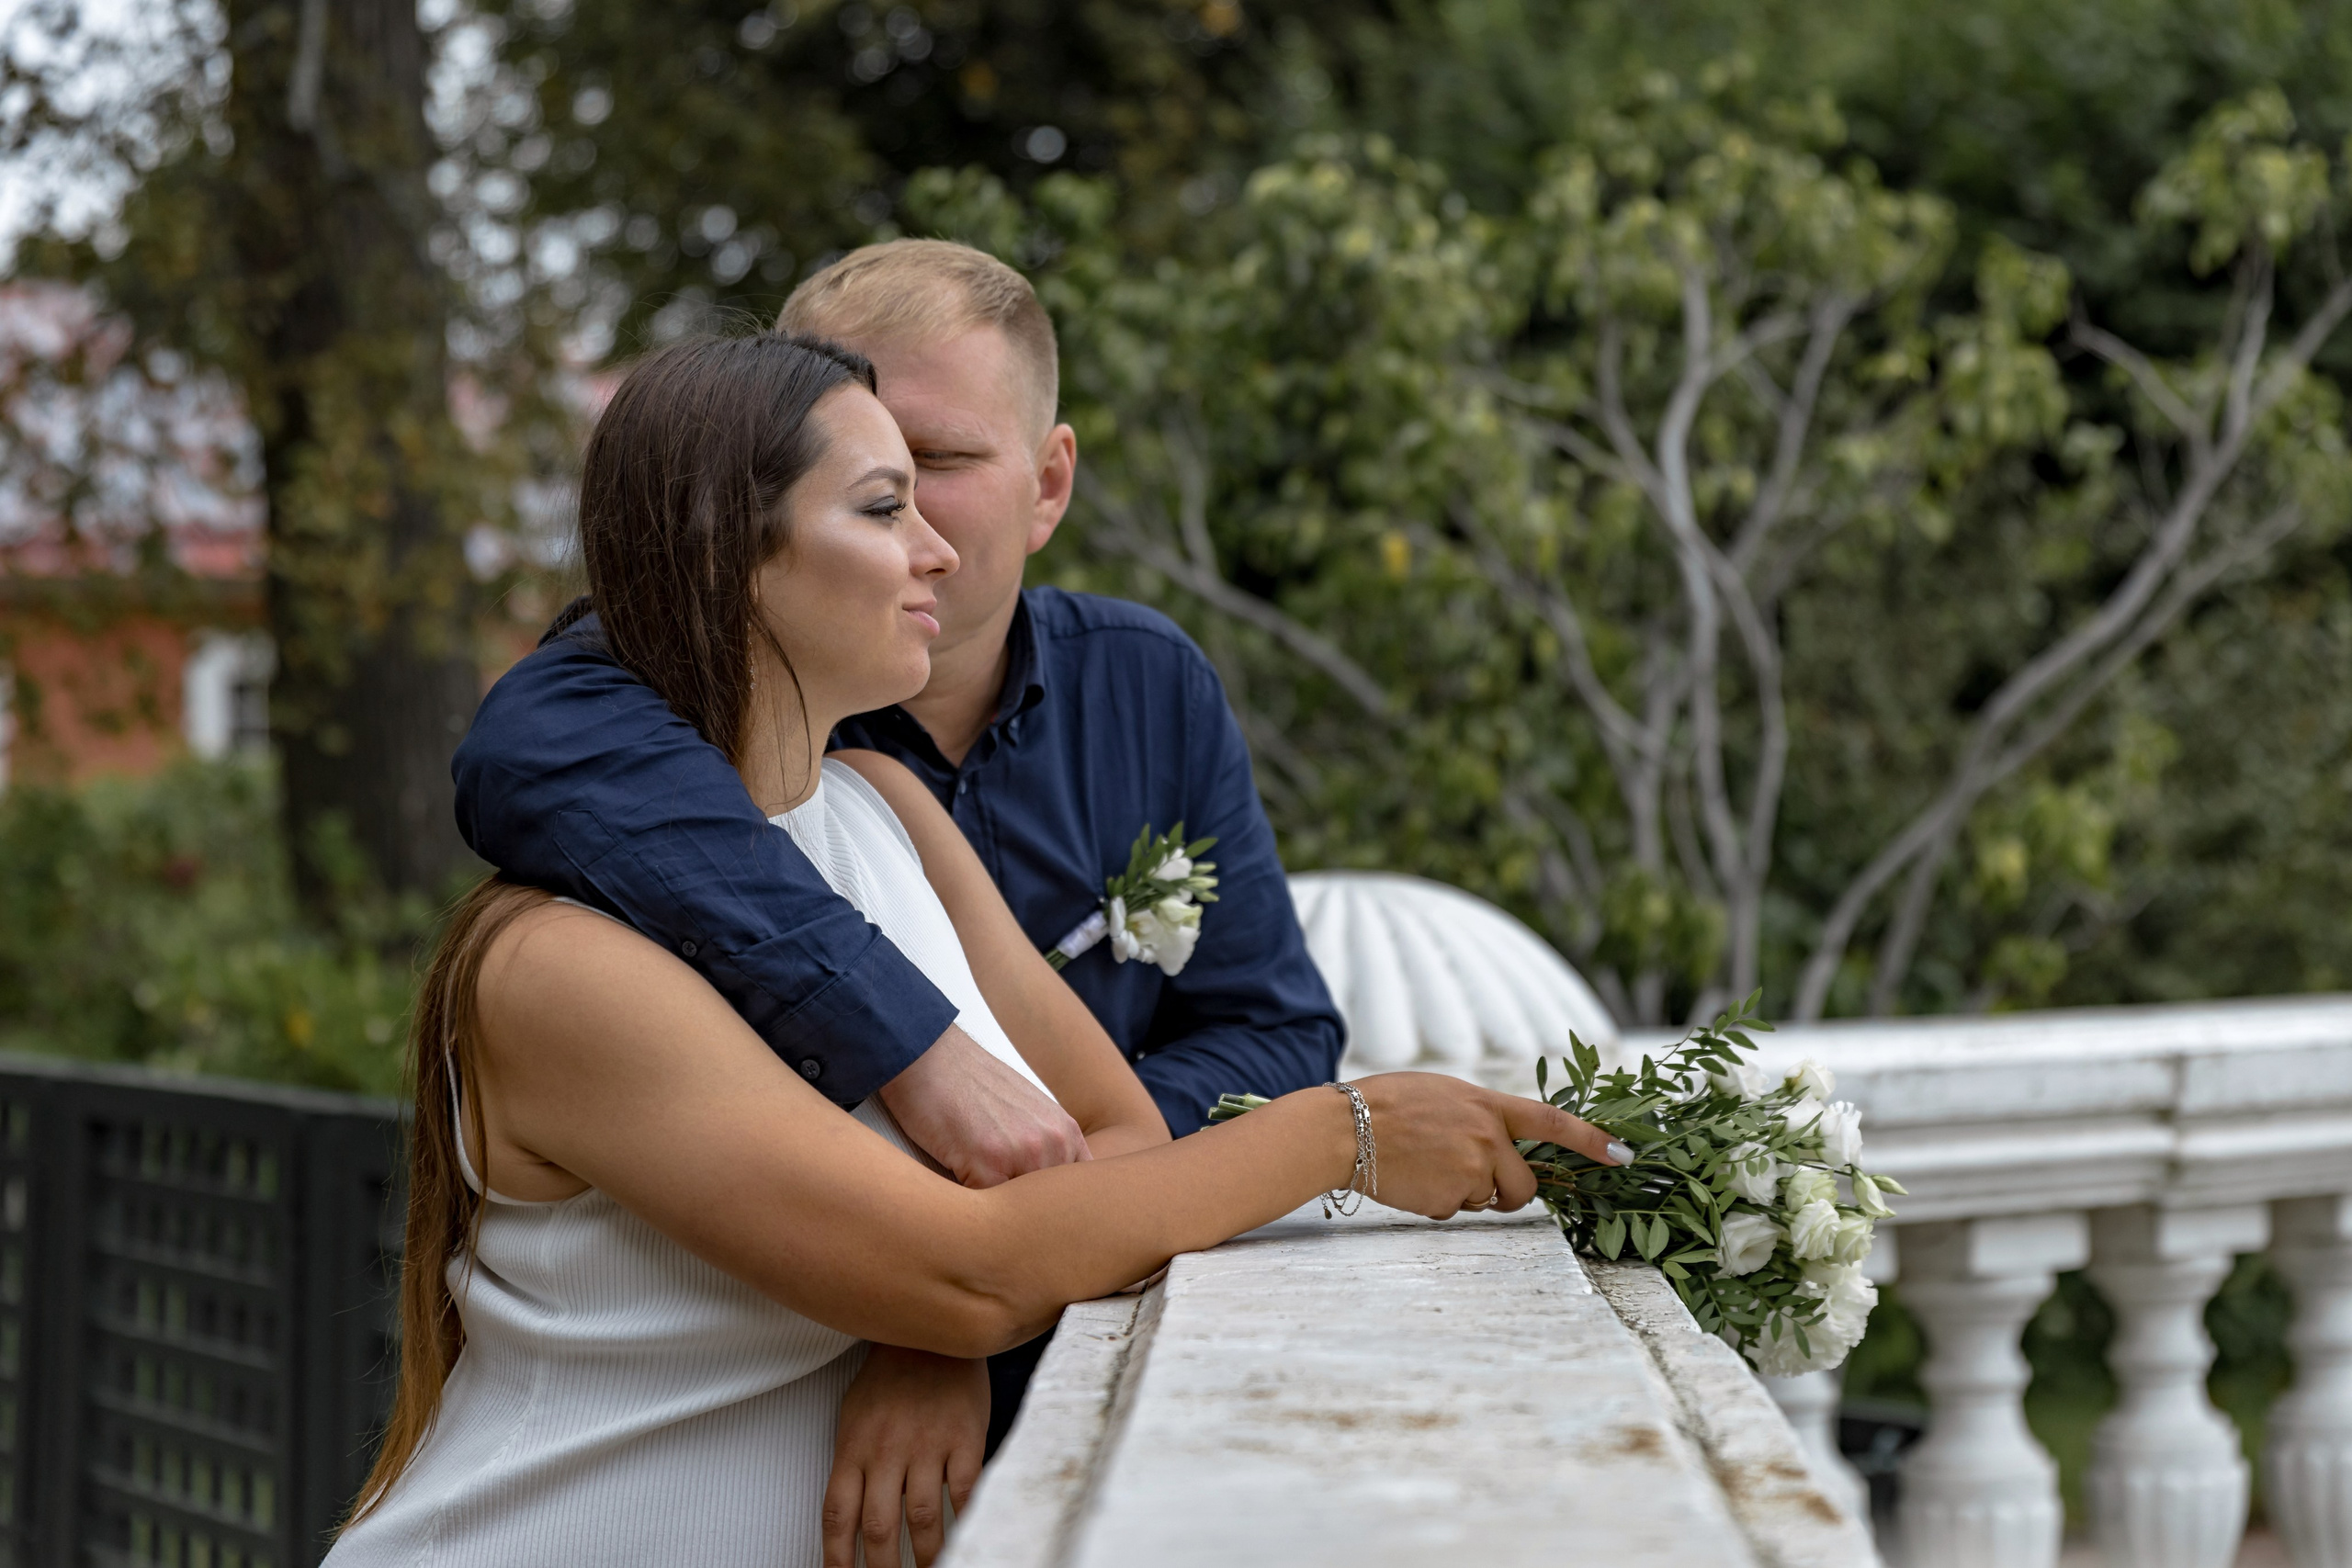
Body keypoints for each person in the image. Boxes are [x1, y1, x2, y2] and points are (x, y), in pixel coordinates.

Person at [328, 333, 1623, 1568]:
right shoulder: (562, 966)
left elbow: (1122, 1135)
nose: (940, 552)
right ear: (730, 552)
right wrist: (1339, 1136)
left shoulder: (890, 814)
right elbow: (962, 1271)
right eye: (886, 507)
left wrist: (967, 1305)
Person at [448, 239, 1345, 1454]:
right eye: (880, 487)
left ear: (1048, 482)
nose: (919, 523)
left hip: (1069, 1334)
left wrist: (995, 1268)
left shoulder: (1141, 688)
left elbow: (1275, 1031)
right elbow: (523, 745)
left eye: (941, 465)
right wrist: (917, 1088)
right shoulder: (682, 727)